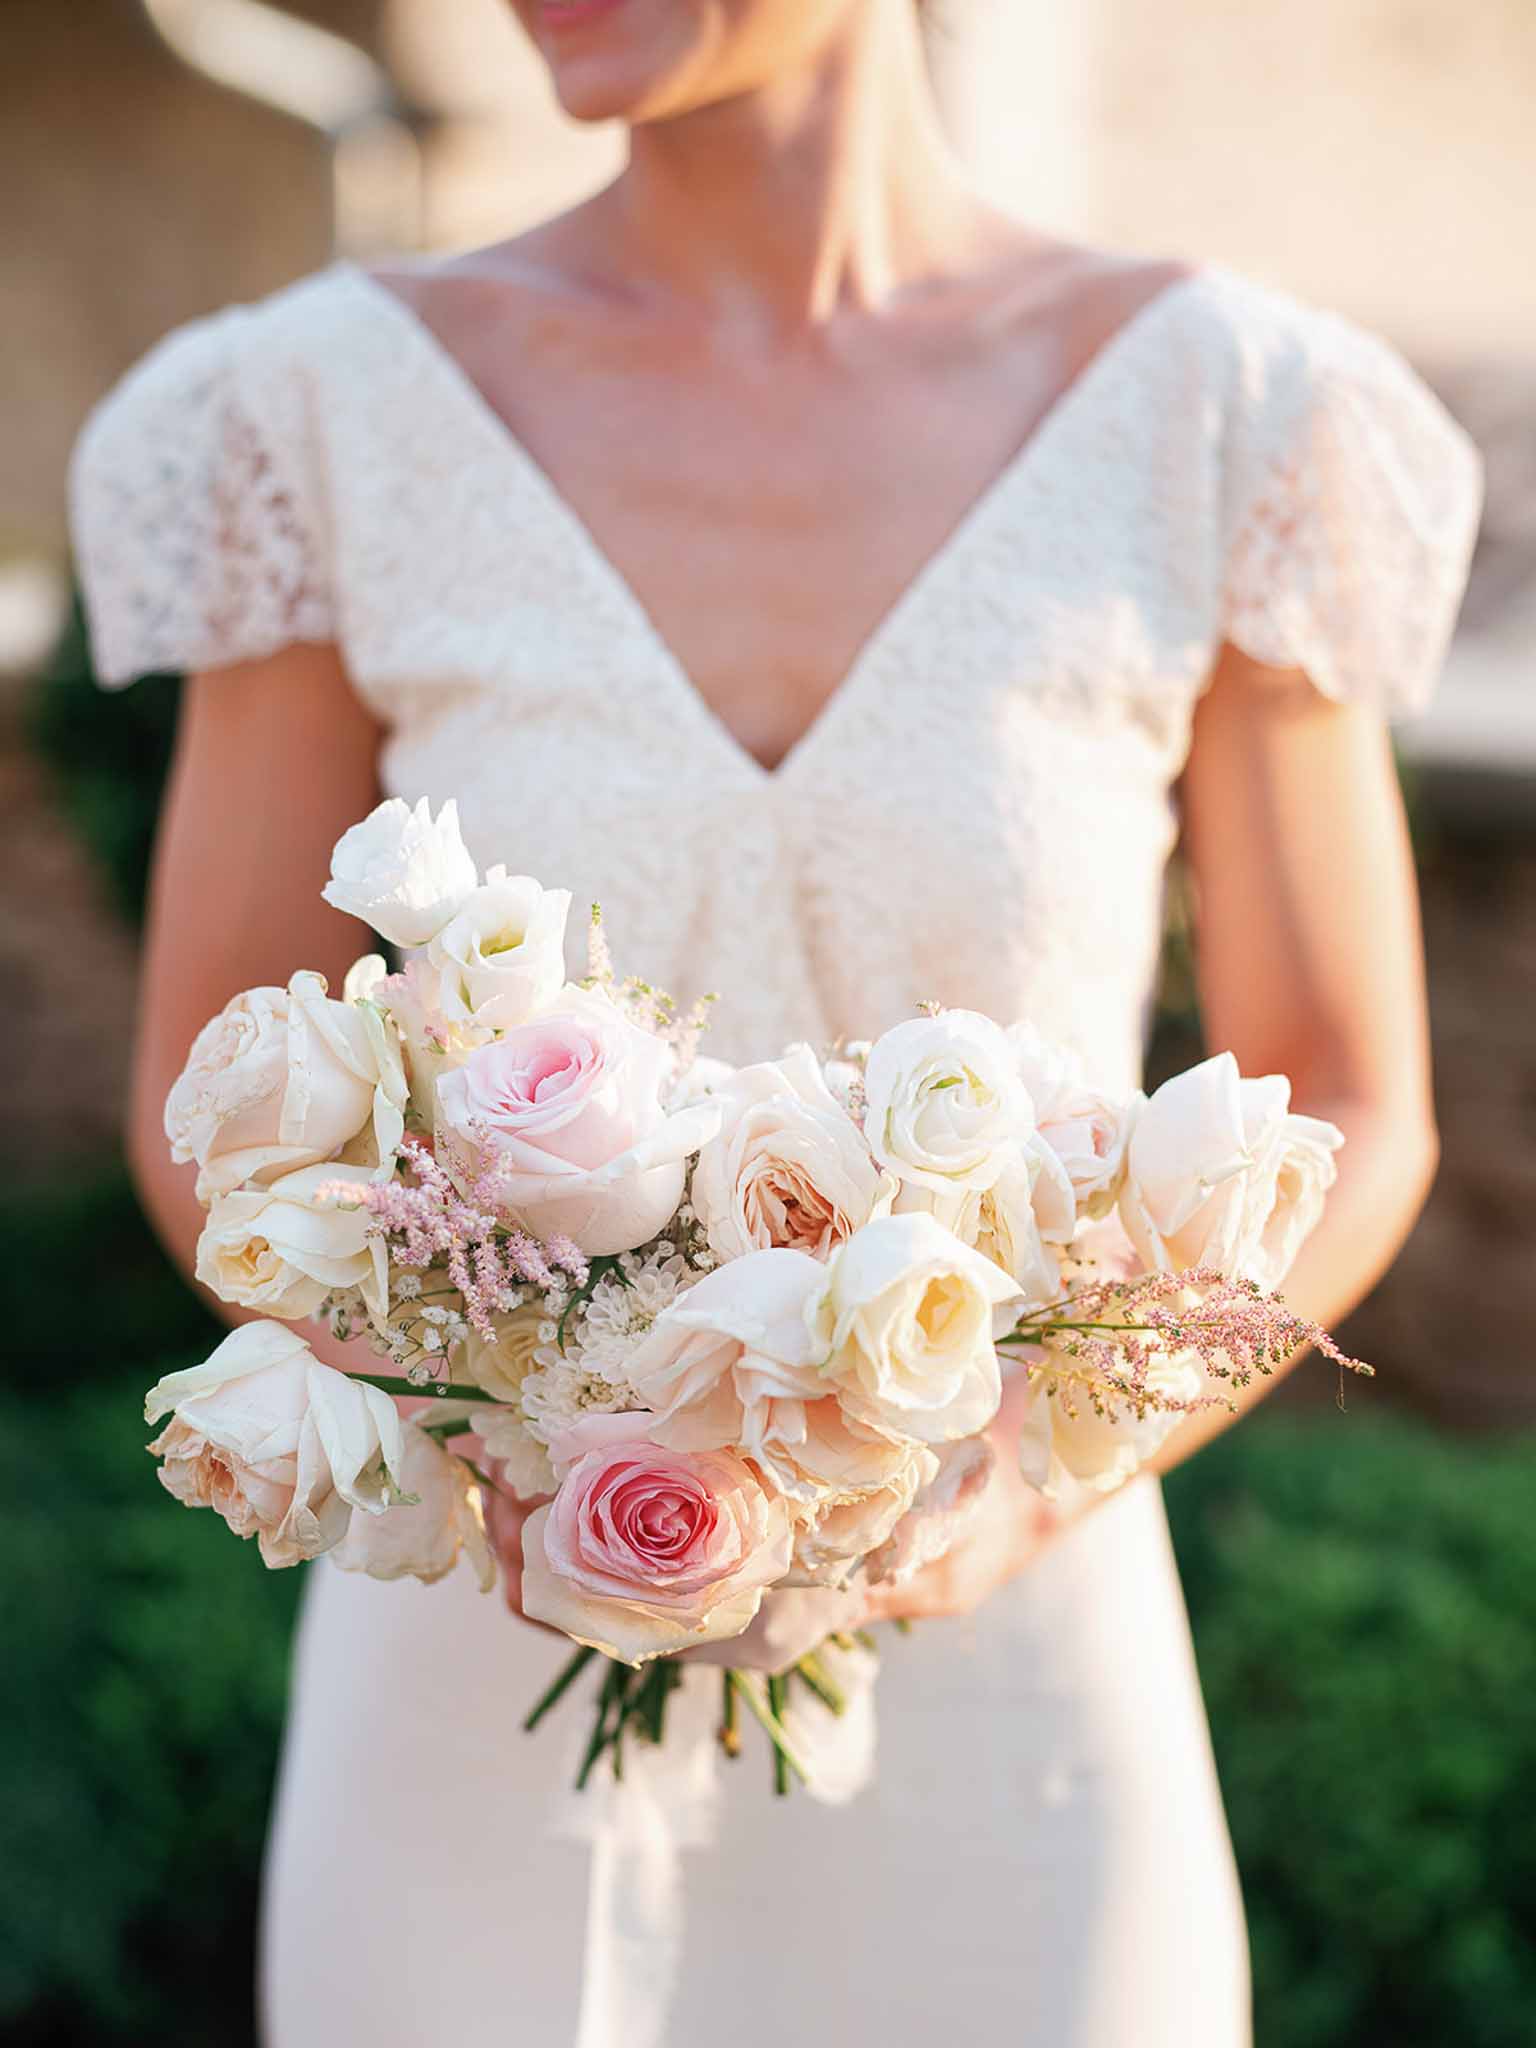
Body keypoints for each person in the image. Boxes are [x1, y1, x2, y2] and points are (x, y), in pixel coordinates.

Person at [69, 1, 1481, 2042]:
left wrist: (1037, 1477)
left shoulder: (1229, 415)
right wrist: (521, 1433)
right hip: (480, 1687)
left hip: (1018, 1677)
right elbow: (212, 1097)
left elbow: (1349, 1094)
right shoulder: (316, 413)